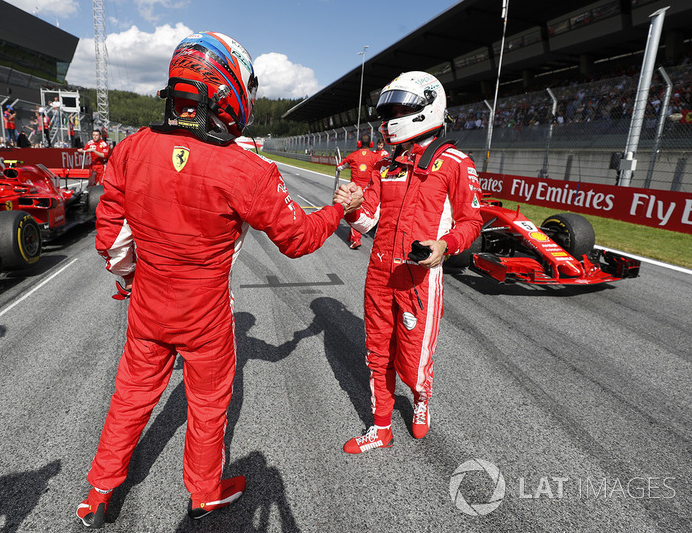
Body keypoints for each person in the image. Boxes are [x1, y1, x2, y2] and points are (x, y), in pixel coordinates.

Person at [76, 31, 362, 529]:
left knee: (130, 397)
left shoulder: (130, 148)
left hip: (147, 302)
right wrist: (340, 206)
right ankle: (204, 492)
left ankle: (99, 491)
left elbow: (113, 237)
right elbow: (298, 239)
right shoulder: (244, 167)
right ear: (226, 87)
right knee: (207, 405)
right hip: (205, 314)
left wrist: (127, 279)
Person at [340, 71, 482, 454]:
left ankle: (421, 400)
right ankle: (380, 427)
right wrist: (351, 208)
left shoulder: (454, 162)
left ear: (427, 107)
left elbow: (472, 220)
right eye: (387, 111)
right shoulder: (386, 164)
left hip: (419, 278)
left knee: (414, 358)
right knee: (377, 354)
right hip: (379, 275)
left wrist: (446, 245)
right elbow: (368, 220)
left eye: (399, 110)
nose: (389, 120)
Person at [336, 133, 377, 249]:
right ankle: (352, 235)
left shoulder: (353, 155)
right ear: (371, 144)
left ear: (359, 143)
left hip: (355, 189)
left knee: (354, 212)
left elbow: (339, 167)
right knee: (366, 212)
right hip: (369, 189)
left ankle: (355, 239)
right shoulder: (375, 157)